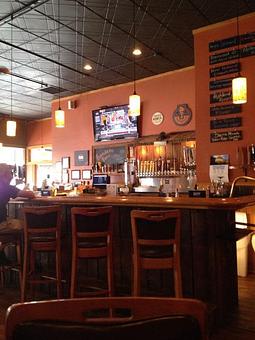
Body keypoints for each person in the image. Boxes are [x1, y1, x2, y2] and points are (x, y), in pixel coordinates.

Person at [0, 163, 34, 230]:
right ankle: (21, 240)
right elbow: (31, 195)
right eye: (10, 173)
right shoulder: (6, 187)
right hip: (1, 223)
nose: (11, 177)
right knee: (25, 224)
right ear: (4, 175)